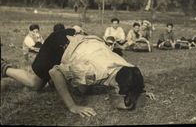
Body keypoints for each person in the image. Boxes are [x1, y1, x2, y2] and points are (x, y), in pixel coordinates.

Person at [1, 29, 155, 117]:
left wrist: (139, 89)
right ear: (115, 85)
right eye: (119, 91)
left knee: (83, 87)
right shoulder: (91, 71)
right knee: (35, 83)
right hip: (58, 45)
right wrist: (72, 106)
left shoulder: (123, 66)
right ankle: (4, 68)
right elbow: (54, 71)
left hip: (76, 37)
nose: (117, 93)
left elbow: (134, 72)